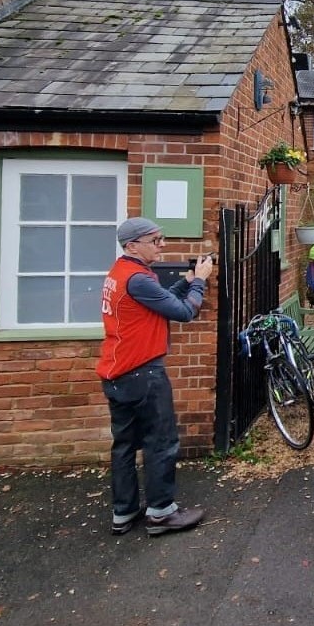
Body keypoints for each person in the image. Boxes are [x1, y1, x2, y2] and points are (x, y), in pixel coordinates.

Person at [98, 218, 212, 537]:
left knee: (124, 445)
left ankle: (124, 512)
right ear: (133, 245)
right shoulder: (138, 278)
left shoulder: (123, 274)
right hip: (143, 372)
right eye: (156, 240)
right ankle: (161, 514)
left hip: (116, 372)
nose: (162, 244)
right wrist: (200, 281)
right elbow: (184, 312)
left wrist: (186, 280)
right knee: (160, 441)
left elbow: (161, 301)